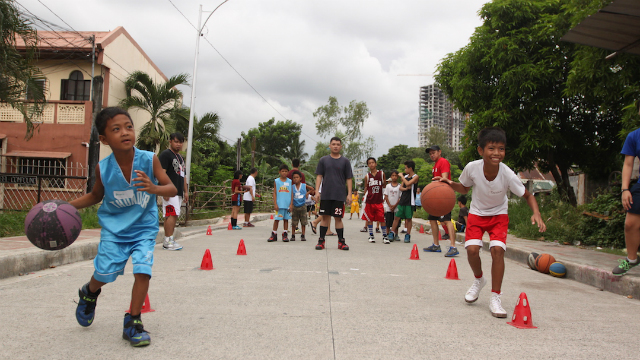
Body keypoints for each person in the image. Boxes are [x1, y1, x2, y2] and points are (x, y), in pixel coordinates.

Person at [70, 107, 177, 347]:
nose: (125, 132)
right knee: (104, 274)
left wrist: (154, 188)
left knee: (143, 270)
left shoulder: (149, 159)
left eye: (129, 126)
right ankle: (89, 292)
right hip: (115, 231)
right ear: (104, 139)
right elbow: (95, 196)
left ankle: (133, 321)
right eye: (116, 129)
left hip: (143, 229)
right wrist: (66, 207)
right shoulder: (103, 168)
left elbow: (171, 189)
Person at [437, 127, 545, 318]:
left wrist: (536, 213)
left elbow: (528, 195)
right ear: (481, 150)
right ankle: (479, 280)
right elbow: (463, 188)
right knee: (471, 250)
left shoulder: (507, 174)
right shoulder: (472, 167)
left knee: (497, 251)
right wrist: (449, 184)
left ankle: (496, 297)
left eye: (501, 149)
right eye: (492, 148)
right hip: (477, 214)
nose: (497, 153)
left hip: (498, 216)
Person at [314, 137, 353, 250]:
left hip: (339, 195)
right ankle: (321, 241)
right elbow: (319, 176)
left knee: (338, 218)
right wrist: (317, 191)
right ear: (330, 146)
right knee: (325, 218)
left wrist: (349, 194)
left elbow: (349, 178)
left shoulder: (345, 161)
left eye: (338, 144)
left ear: (340, 147)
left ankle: (341, 242)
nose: (335, 146)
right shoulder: (323, 160)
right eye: (333, 144)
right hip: (326, 194)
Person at [614, 123, 640, 276]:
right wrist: (625, 189)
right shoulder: (634, 136)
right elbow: (628, 164)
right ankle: (631, 259)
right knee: (630, 224)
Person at [424, 145, 459, 256]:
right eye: (430, 154)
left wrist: (439, 182)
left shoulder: (443, 161)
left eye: (433, 152)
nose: (432, 155)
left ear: (439, 152)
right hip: (435, 197)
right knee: (433, 219)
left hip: (442, 196)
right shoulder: (435, 165)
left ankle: (453, 246)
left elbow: (444, 178)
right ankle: (436, 245)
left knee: (446, 220)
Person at [158, 132, 187, 251]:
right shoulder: (166, 155)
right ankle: (167, 240)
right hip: (170, 190)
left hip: (178, 190)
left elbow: (183, 175)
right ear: (170, 142)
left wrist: (186, 191)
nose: (178, 144)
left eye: (180, 142)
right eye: (176, 141)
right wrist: (164, 190)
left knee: (174, 215)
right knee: (170, 214)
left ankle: (170, 239)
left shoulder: (180, 157)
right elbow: (161, 173)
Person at [388, 161, 419, 243]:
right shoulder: (405, 177)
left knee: (408, 219)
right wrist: (406, 188)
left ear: (410, 168)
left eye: (406, 168)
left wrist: (402, 177)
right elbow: (401, 187)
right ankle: (392, 232)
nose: (405, 170)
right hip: (402, 200)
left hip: (410, 201)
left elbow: (408, 183)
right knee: (397, 217)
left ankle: (408, 234)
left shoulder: (415, 177)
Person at [361, 157, 387, 243]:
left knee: (382, 219)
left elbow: (384, 186)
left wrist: (385, 198)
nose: (371, 164)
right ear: (368, 165)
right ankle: (371, 235)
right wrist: (364, 199)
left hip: (379, 201)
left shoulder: (381, 174)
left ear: (376, 164)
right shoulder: (367, 176)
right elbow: (366, 187)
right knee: (370, 219)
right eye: (369, 163)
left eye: (373, 162)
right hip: (370, 201)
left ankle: (384, 236)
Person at [268, 164, 292, 242]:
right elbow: (274, 192)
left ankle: (285, 234)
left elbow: (291, 193)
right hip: (279, 204)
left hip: (287, 205)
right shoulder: (277, 181)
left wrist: (291, 204)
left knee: (286, 219)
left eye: (286, 171)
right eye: (282, 171)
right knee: (277, 219)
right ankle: (274, 234)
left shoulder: (290, 181)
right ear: (279, 172)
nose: (284, 173)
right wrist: (275, 203)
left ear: (288, 172)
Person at [291, 171, 315, 241]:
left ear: (300, 178)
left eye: (297, 177)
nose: (296, 179)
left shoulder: (304, 185)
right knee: (294, 222)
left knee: (303, 221)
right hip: (295, 206)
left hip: (303, 206)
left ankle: (303, 235)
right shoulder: (292, 187)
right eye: (294, 178)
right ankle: (293, 235)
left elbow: (312, 189)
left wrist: (307, 193)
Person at [383, 171, 401, 243]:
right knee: (388, 221)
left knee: (396, 221)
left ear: (398, 177)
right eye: (392, 175)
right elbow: (386, 196)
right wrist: (390, 205)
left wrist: (395, 205)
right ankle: (387, 234)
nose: (394, 177)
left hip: (396, 207)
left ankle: (396, 234)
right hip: (389, 207)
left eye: (395, 176)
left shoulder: (400, 186)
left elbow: (400, 197)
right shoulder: (388, 186)